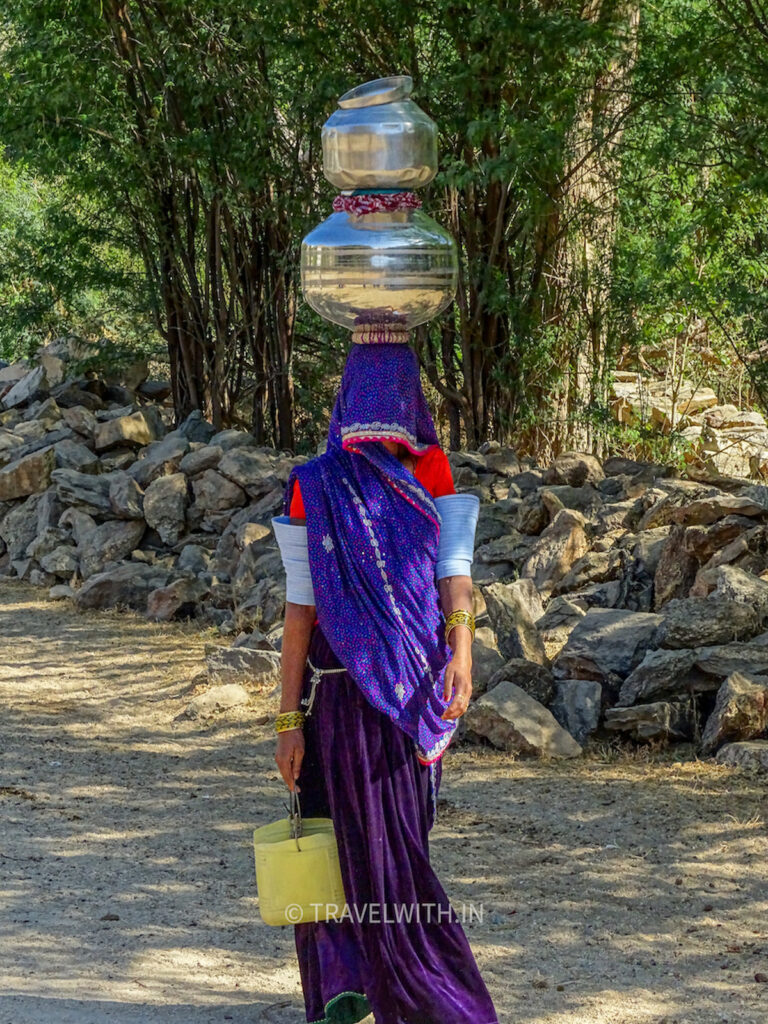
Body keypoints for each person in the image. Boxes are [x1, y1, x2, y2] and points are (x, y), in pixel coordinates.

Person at [271, 341, 499, 1024]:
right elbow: (301, 609)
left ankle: (432, 997)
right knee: (330, 850)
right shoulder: (316, 480)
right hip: (334, 699)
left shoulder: (431, 468)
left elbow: (453, 575)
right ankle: (344, 992)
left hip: (406, 701)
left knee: (398, 857)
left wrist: (462, 651)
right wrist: (287, 722)